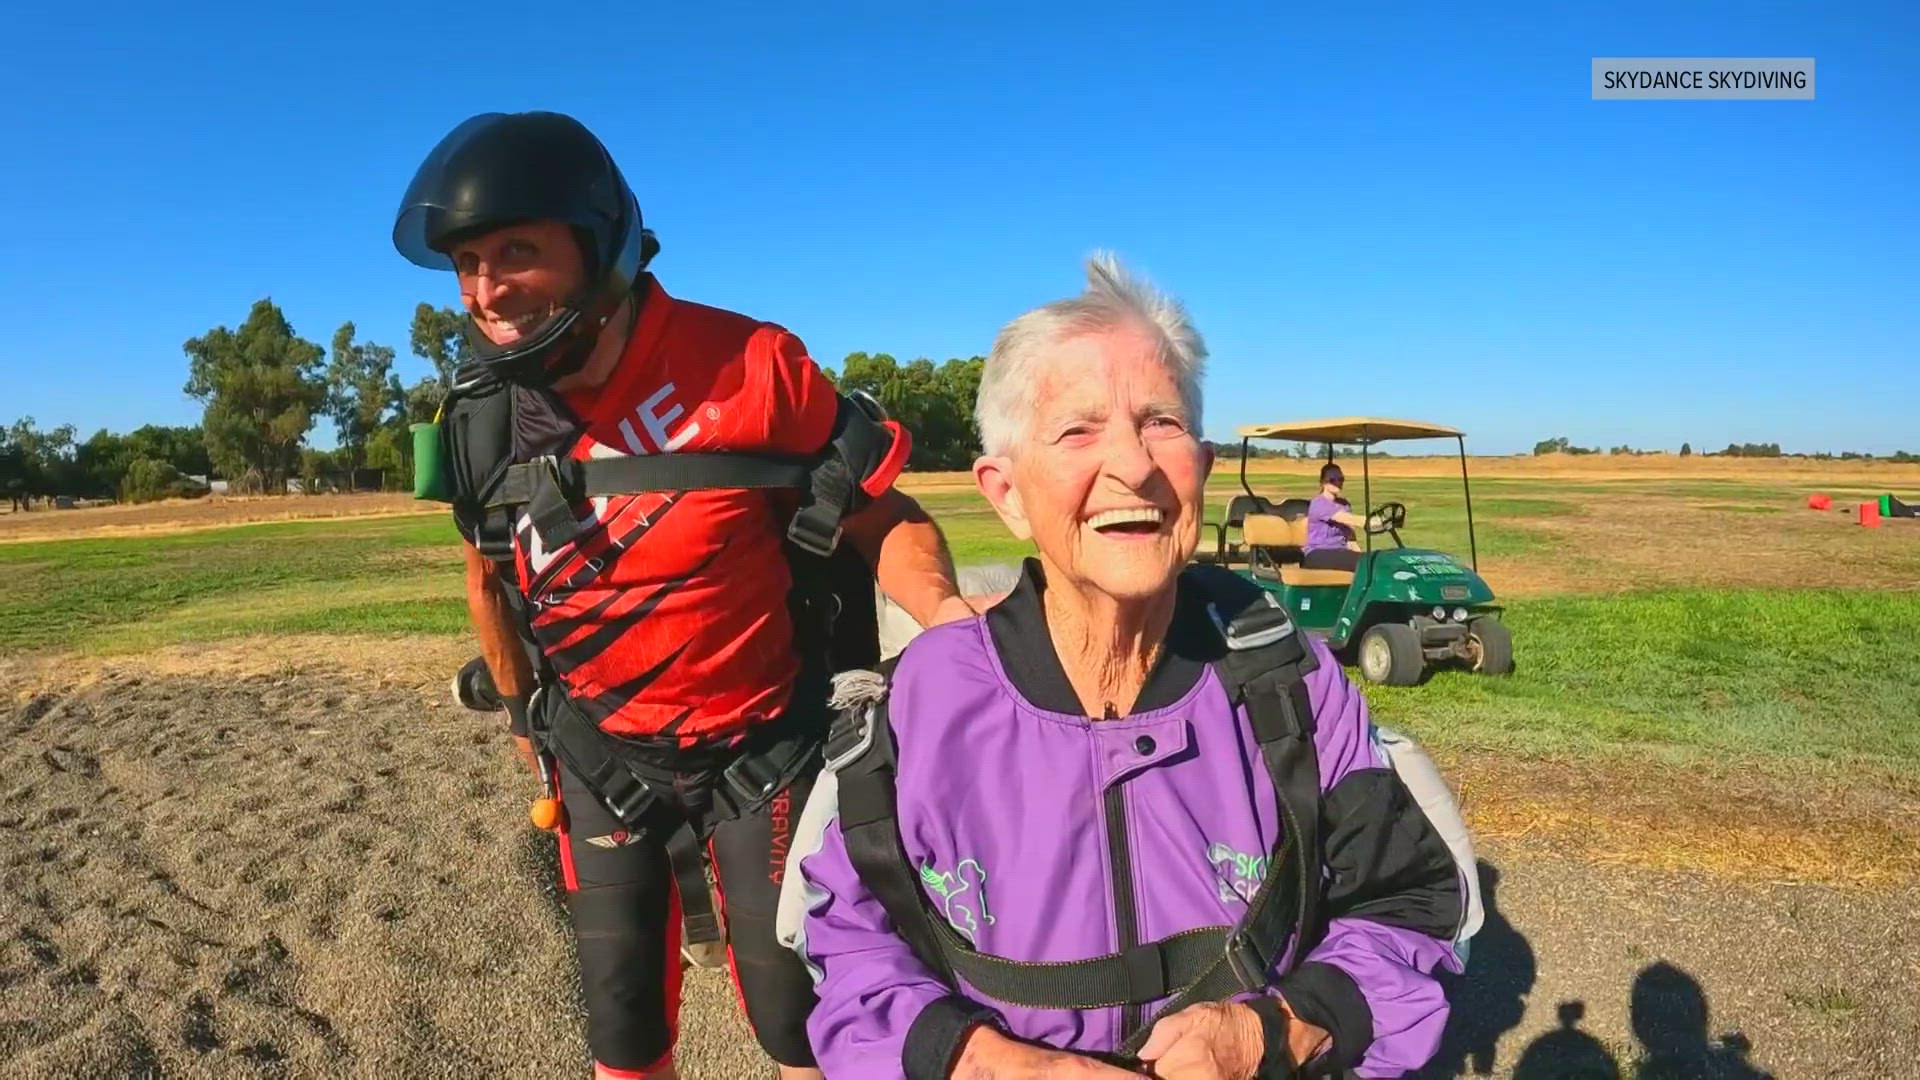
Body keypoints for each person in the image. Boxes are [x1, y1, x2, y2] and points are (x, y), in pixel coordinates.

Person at [779, 254, 1471, 1078]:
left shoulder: (1290, 685)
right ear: (1004, 492)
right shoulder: (915, 712)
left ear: (1203, 468)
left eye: (1162, 423)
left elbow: (1409, 910)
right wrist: (995, 1065)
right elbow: (848, 949)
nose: (1134, 466)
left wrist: (1272, 1033)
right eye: (1077, 430)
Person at [392, 110, 980, 1080]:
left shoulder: (751, 367)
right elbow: (486, 569)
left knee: (804, 1028)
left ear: (598, 247)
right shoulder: (478, 425)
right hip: (599, 758)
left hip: (763, 751)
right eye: (466, 262)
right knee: (622, 1034)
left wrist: (950, 623)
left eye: (516, 253)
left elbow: (882, 514)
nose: (485, 290)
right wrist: (517, 715)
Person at [1303, 463, 1367, 572]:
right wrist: (1376, 520)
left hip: (1340, 551)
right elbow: (1350, 520)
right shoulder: (1319, 504)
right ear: (1323, 482)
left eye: (1341, 479)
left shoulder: (1344, 504)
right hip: (1317, 553)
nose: (1338, 482)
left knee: (1370, 561)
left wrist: (1362, 554)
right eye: (1332, 480)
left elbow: (1350, 538)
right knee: (1362, 562)